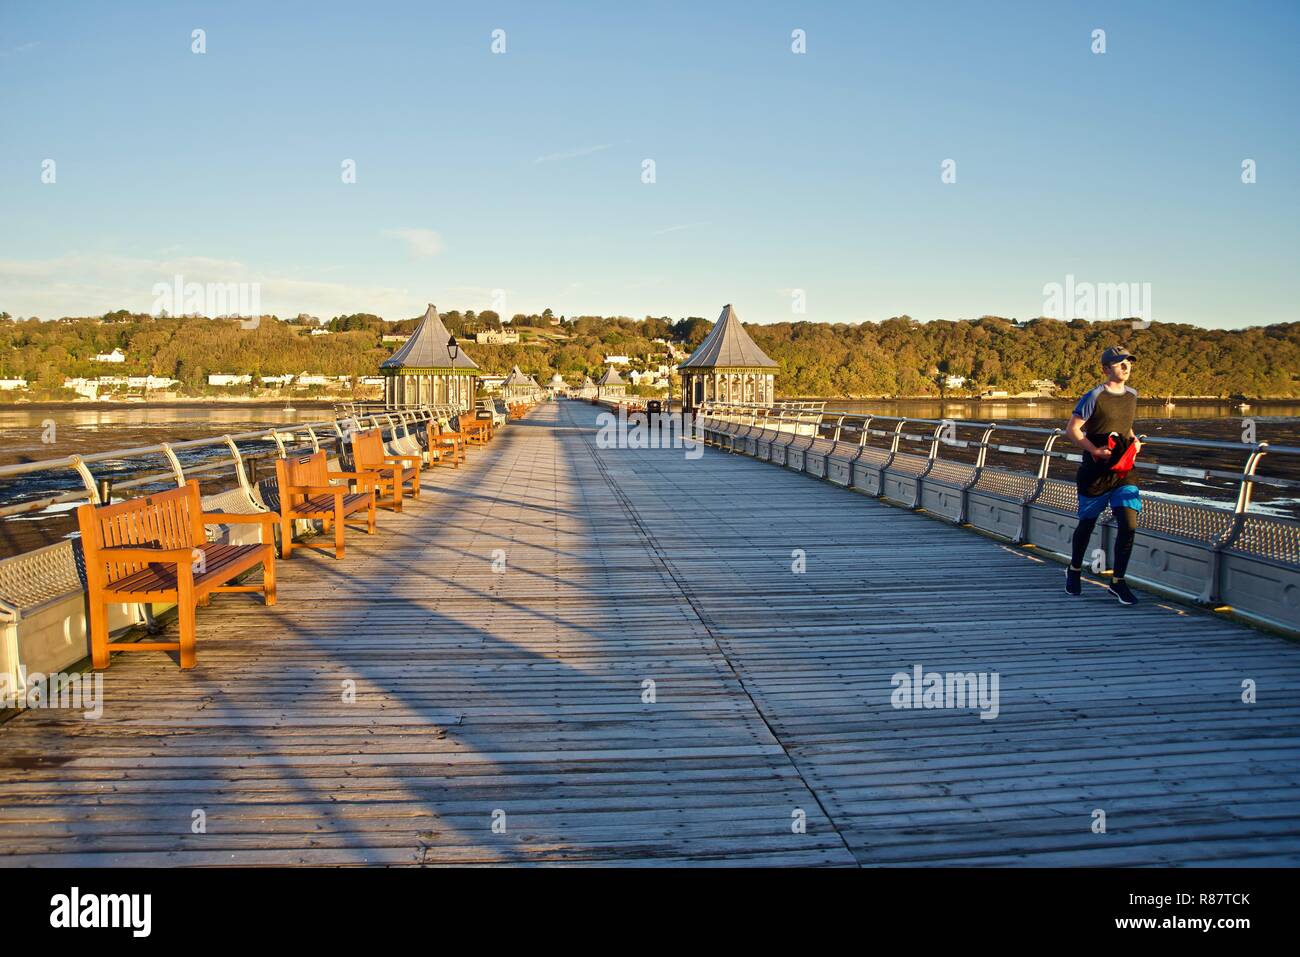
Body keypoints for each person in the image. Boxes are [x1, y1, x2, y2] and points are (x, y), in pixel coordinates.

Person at [1063, 345, 1143, 605]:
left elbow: (1125, 426)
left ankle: (1118, 582)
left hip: (1124, 472)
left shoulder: (1132, 395)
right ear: (1106, 368)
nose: (1126, 367)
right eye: (1120, 363)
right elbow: (1073, 430)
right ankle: (1074, 569)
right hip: (1095, 474)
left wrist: (1134, 441)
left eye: (1128, 362)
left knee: (1128, 525)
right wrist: (1094, 449)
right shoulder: (1094, 396)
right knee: (1087, 525)